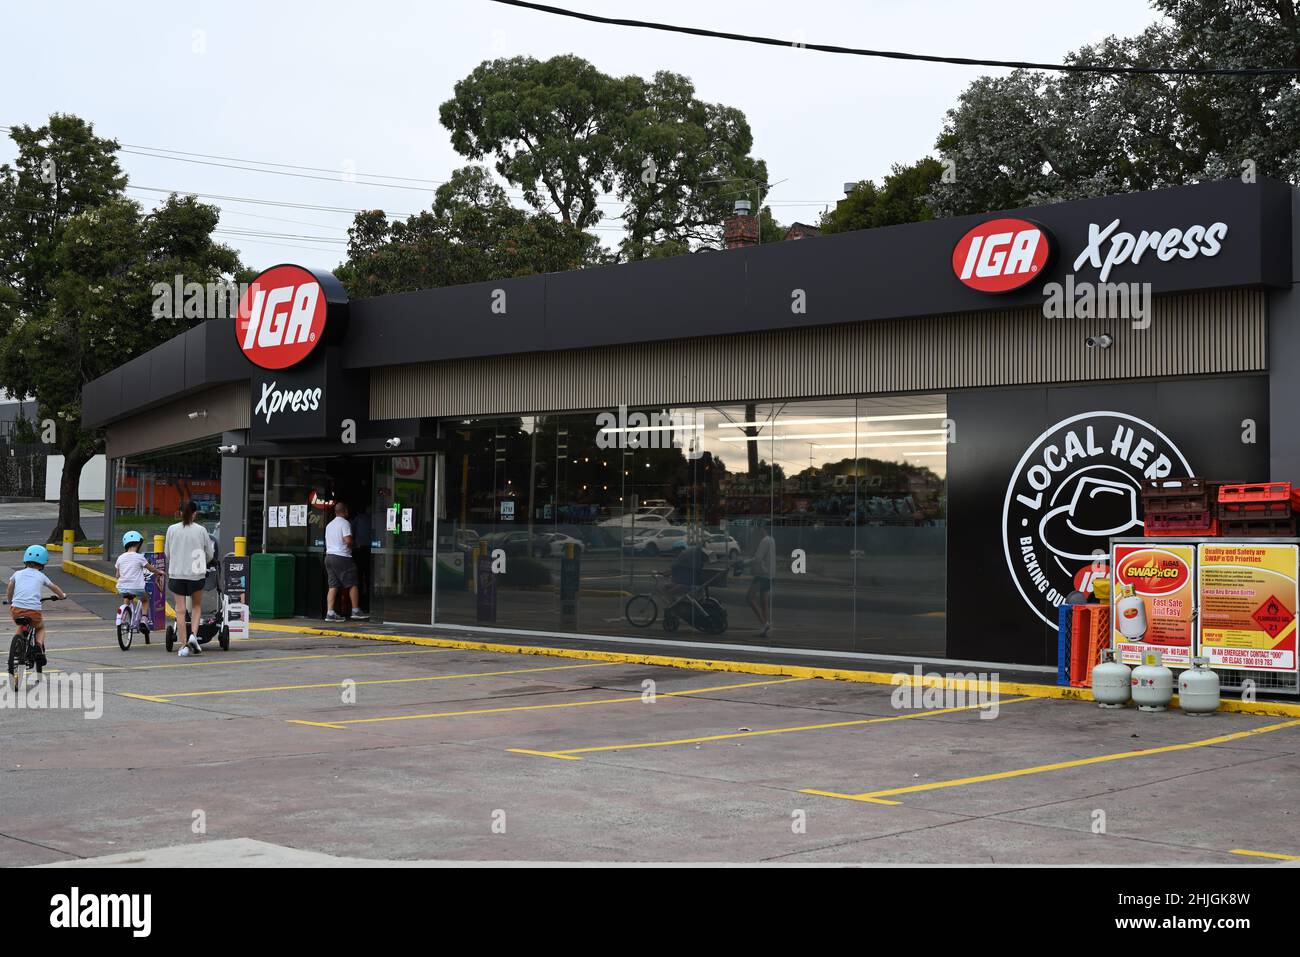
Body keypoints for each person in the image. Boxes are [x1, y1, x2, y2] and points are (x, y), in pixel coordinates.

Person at [164, 501, 214, 655]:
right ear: (195, 513)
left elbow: (167, 553)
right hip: (196, 575)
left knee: (180, 610)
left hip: (176, 574)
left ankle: (184, 645)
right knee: (196, 607)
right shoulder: (201, 530)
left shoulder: (171, 529)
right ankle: (193, 634)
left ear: (179, 513)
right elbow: (209, 554)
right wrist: (201, 563)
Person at [6, 545, 67, 671]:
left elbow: (10, 587)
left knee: (20, 625)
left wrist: (10, 600)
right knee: (39, 627)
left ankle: (16, 647)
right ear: (43, 563)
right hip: (33, 611)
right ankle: (38, 647)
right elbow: (53, 587)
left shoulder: (17, 574)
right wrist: (62, 596)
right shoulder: (41, 576)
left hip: (16, 610)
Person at [325, 502, 369, 622]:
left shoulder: (329, 525)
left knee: (333, 585)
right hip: (342, 557)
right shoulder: (345, 523)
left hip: (329, 556)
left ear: (335, 512)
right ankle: (355, 610)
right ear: (345, 511)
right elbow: (348, 540)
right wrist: (356, 545)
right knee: (353, 583)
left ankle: (330, 612)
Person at [116, 530, 163, 633]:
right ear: (138, 544)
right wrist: (158, 572)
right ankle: (144, 619)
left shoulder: (120, 558)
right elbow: (151, 569)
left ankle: (124, 618)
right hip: (137, 587)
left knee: (127, 596)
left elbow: (117, 575)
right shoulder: (140, 557)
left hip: (121, 587)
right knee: (145, 599)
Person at [746, 519, 775, 637]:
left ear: (762, 529)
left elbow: (757, 559)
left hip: (762, 575)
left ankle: (765, 623)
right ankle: (765, 627)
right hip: (769, 575)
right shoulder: (772, 540)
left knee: (749, 598)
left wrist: (743, 563)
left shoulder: (765, 541)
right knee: (764, 602)